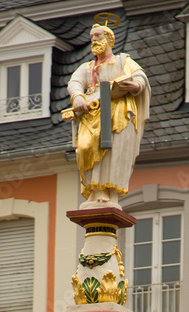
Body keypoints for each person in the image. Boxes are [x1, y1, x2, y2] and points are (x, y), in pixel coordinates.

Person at [67, 20, 150, 203]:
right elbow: (75, 82)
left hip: (116, 113)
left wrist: (135, 85)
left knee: (111, 152)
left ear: (109, 39)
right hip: (90, 114)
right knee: (85, 148)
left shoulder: (121, 61)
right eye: (92, 38)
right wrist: (78, 97)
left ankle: (106, 189)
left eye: (98, 36)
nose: (94, 40)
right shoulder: (87, 67)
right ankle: (91, 189)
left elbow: (140, 76)